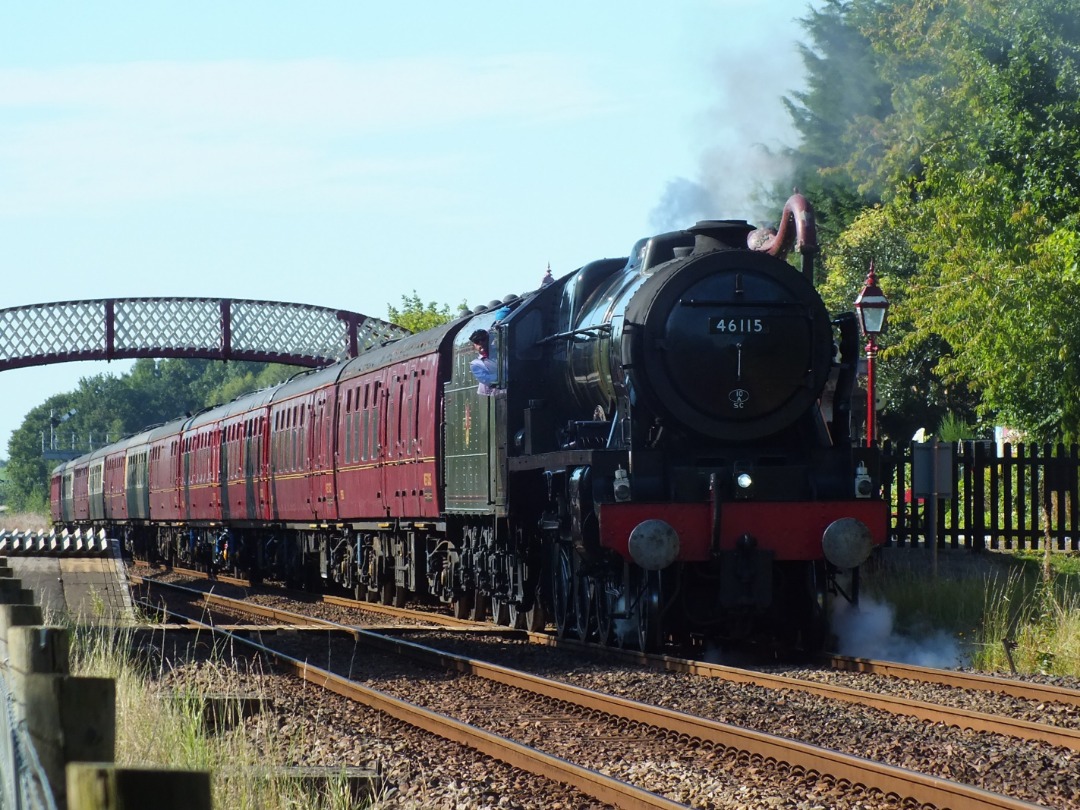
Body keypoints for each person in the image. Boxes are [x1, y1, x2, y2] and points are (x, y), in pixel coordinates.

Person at [468, 329, 498, 396]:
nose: (481, 343)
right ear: (474, 345)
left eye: (483, 339)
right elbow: (487, 380)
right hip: (488, 395)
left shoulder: (500, 354)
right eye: (477, 341)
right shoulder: (475, 364)